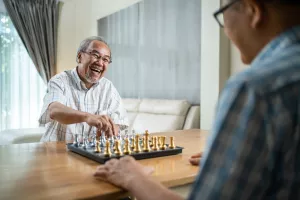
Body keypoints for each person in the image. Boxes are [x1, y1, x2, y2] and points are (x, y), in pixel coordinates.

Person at [94, 0, 300, 199]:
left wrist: (133, 177)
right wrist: (240, 159)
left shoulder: (254, 89)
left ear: (253, 10)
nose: (225, 32)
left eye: (222, 17)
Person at [39, 36, 128, 142]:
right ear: (80, 56)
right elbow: (54, 110)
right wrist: (87, 117)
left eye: (105, 59)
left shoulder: (108, 88)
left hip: (89, 153)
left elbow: (118, 123)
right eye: (95, 55)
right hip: (56, 152)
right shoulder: (59, 80)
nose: (100, 63)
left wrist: (109, 131)